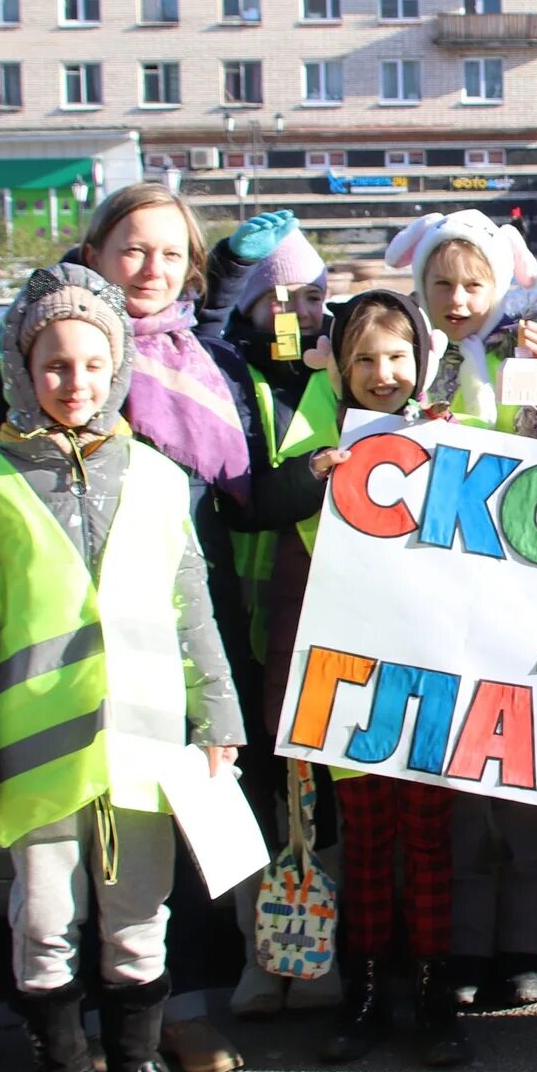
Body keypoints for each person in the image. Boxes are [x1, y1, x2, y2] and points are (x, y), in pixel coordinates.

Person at [0, 265, 244, 1072]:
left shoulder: (155, 477)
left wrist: (216, 716)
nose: (76, 381)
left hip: (143, 749)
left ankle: (137, 1064)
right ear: (24, 372)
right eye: (55, 364)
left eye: (93, 364)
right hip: (40, 759)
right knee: (44, 917)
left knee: (140, 913)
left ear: (120, 371)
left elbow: (194, 609)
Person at [386, 209, 537, 1008]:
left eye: (473, 283)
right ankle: (463, 950)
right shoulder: (408, 358)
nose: (458, 298)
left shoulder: (524, 350)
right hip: (436, 606)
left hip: (520, 602)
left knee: (526, 794)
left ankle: (526, 950)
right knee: (458, 797)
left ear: (499, 284)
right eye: (441, 283)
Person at [284, 289, 469, 1066]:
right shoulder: (316, 447)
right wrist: (316, 479)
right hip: (348, 672)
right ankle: (359, 992)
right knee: (365, 841)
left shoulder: (443, 435)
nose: (382, 372)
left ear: (419, 360)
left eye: (396, 357)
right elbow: (290, 525)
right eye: (364, 358)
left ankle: (433, 994)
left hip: (428, 670)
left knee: (427, 839)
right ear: (341, 367)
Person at [212, 219, 334, 1021]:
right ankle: (261, 955)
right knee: (256, 795)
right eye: (284, 297)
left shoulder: (339, 364)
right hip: (246, 621)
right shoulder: (226, 372)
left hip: (326, 621)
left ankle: (321, 951)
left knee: (319, 795)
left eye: (316, 294)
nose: (302, 310)